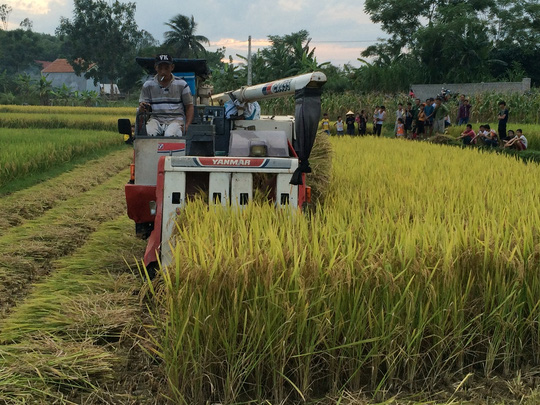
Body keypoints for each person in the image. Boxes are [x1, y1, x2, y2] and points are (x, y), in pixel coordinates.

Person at [139, 54, 194, 137]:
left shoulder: (182, 84)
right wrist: (142, 107)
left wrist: (187, 125)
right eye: (160, 68)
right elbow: (143, 106)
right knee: (149, 133)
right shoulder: (148, 85)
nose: (163, 72)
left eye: (166, 68)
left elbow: (189, 106)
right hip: (156, 119)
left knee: (169, 135)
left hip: (176, 120)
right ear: (155, 68)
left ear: (172, 67)